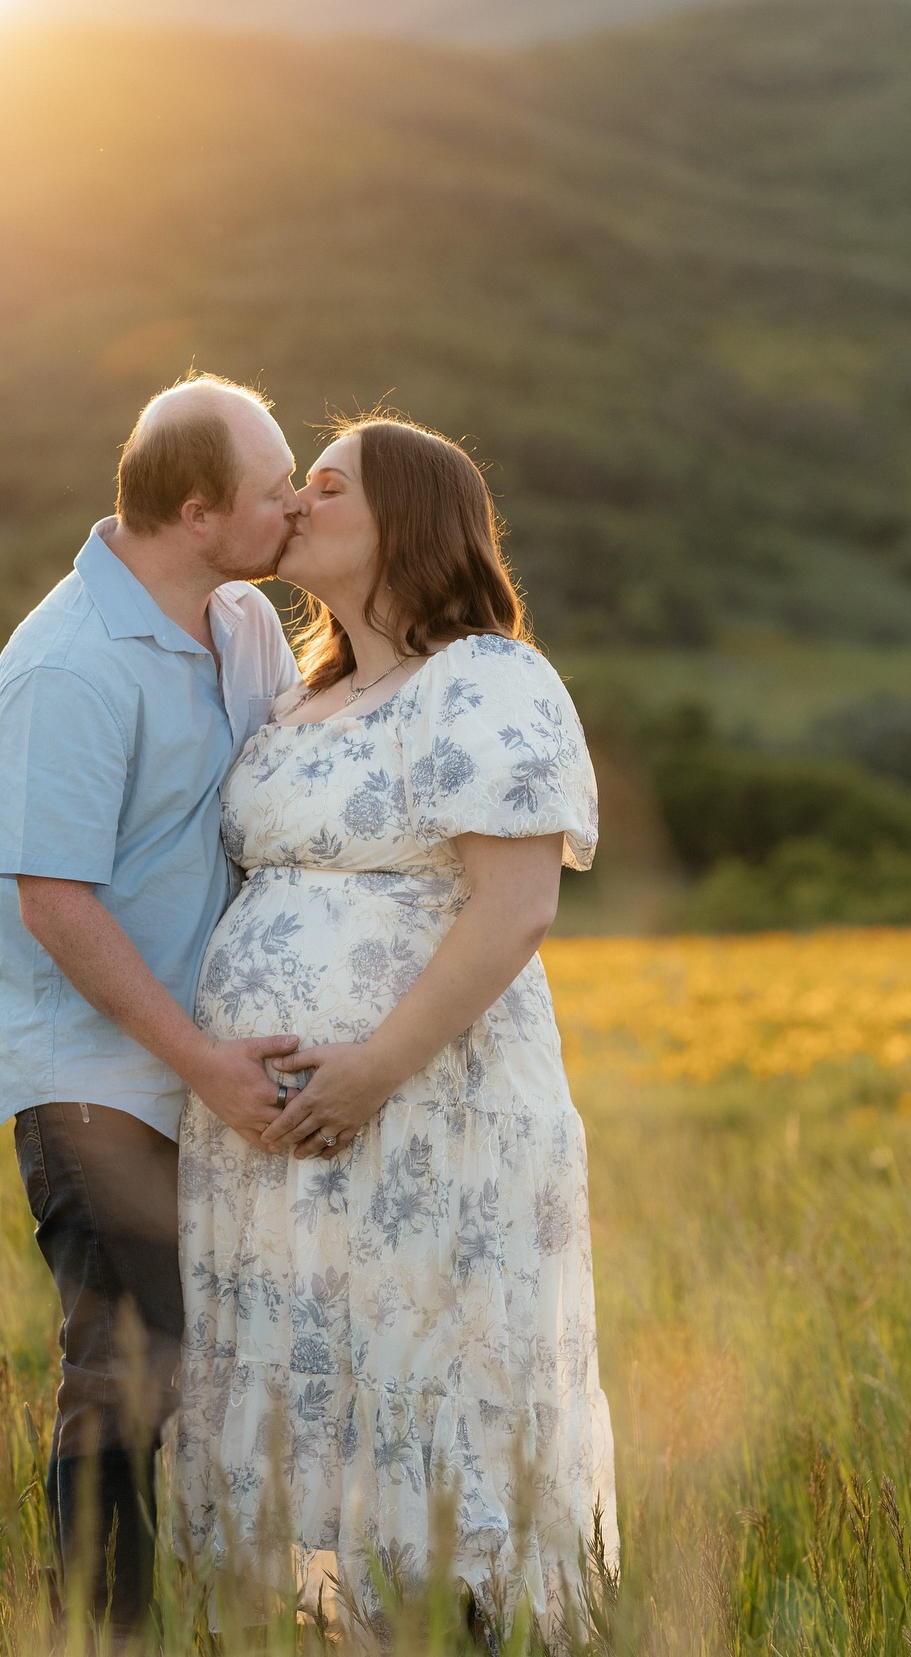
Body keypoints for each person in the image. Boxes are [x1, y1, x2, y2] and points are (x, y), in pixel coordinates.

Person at [175, 416, 618, 1642]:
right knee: (312, 1418)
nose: (297, 500)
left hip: (428, 1111)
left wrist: (369, 1070)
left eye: (329, 483)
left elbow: (518, 905)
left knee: (436, 1399)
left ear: (410, 520)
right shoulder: (300, 699)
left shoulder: (483, 675)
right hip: (273, 1143)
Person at [0, 375, 306, 1632]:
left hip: (202, 1071)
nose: (293, 504)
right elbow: (56, 906)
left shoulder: (244, 623)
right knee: (127, 1372)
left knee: (212, 1375)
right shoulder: (65, 664)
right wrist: (202, 1059)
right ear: (199, 508)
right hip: (97, 1077)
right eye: (275, 488)